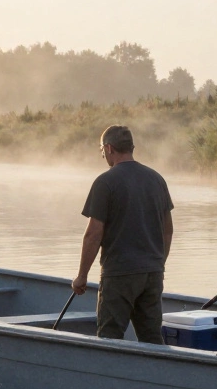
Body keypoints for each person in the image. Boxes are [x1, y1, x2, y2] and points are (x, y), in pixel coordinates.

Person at [71, 125, 174, 343]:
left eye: (101, 150)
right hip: (152, 274)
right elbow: (168, 230)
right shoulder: (157, 179)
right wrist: (159, 262)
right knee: (152, 338)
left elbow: (93, 235)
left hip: (119, 274)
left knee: (109, 337)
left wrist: (81, 276)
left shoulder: (105, 182)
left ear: (109, 148)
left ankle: (109, 376)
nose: (102, 155)